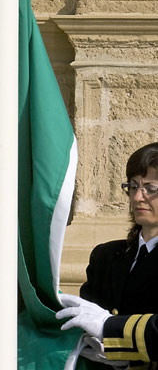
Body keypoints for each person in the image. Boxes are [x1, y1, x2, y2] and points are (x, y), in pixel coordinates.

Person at [56, 142, 158, 369]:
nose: (138, 197)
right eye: (133, 187)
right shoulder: (106, 255)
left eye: (150, 188)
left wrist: (110, 329)